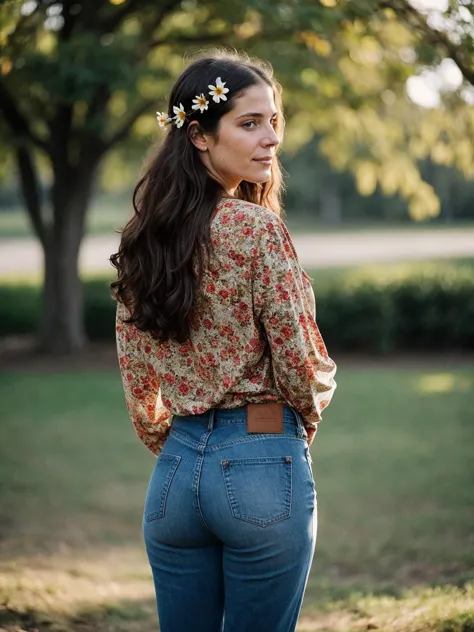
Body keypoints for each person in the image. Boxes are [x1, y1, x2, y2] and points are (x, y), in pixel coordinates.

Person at [110, 49, 337, 632]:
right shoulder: (256, 228)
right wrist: (297, 426)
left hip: (174, 481)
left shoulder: (143, 239)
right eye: (249, 122)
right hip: (261, 463)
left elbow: (139, 380)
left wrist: (182, 441)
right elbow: (299, 358)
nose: (271, 139)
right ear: (199, 136)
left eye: (274, 122)